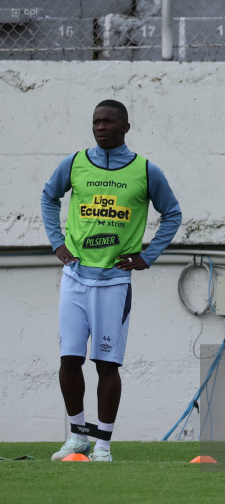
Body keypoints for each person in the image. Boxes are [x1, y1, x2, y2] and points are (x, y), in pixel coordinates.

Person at [41, 100, 182, 462]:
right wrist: (58, 243)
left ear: (125, 127)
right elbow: (48, 196)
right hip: (75, 278)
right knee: (69, 360)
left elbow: (172, 214)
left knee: (106, 364)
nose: (100, 127)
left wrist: (147, 257)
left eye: (108, 122)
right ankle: (78, 437)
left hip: (115, 283)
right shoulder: (74, 164)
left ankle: (102, 444)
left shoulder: (145, 171)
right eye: (95, 122)